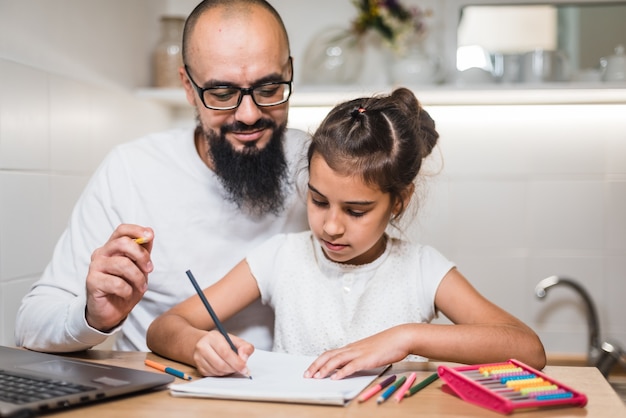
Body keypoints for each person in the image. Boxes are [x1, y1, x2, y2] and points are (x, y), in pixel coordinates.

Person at [146, 88, 547, 380]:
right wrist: (199, 347)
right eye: (319, 202)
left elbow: (528, 348)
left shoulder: (422, 269)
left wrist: (406, 337)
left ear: (398, 202)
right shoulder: (280, 257)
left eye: (356, 211)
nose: (331, 226)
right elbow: (165, 327)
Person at [15, 0, 309, 352]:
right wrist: (95, 316)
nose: (248, 114)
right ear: (188, 86)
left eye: (268, 89)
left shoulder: (319, 166)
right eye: (222, 93)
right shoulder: (132, 170)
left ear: (289, 70)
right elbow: (30, 325)